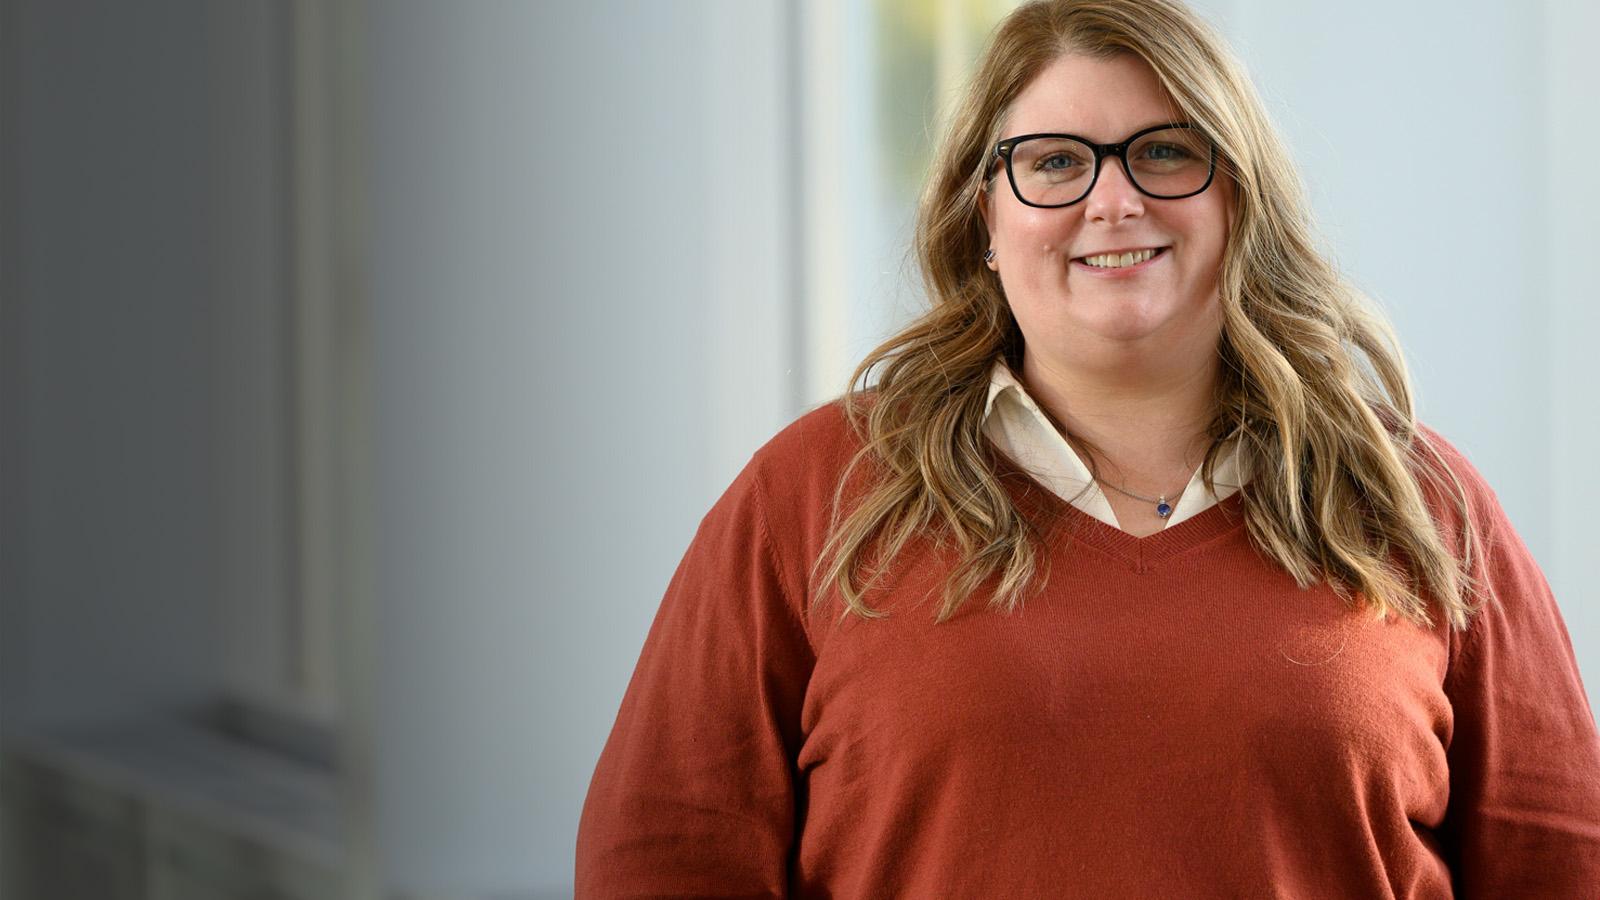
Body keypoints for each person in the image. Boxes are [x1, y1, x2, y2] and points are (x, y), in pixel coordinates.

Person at [575, 0, 1600, 895]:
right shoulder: (812, 492)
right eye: (1054, 162)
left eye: (1163, 150)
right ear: (984, 214)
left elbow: (1562, 864)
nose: (1114, 201)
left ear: (1236, 195)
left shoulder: (1417, 502)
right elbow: (664, 860)